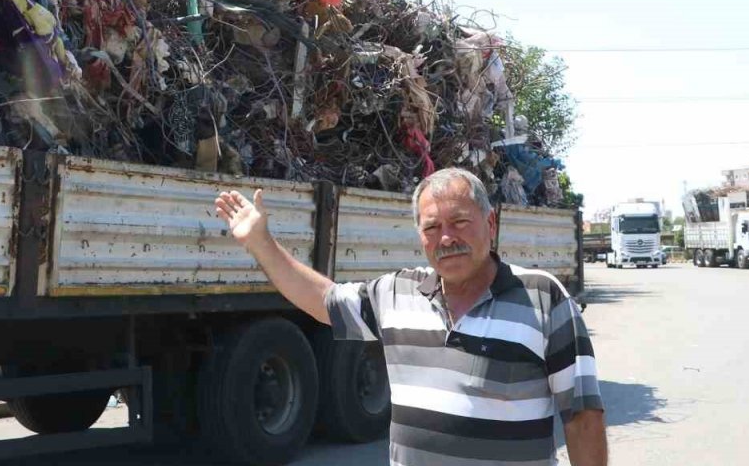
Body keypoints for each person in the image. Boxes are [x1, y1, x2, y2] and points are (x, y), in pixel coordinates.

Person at [214, 167, 607, 466]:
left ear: (491, 224)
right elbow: (322, 299)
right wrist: (261, 243)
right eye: (432, 227)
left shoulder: (542, 296)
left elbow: (583, 416)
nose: (446, 238)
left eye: (459, 222)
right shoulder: (397, 293)